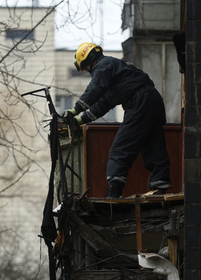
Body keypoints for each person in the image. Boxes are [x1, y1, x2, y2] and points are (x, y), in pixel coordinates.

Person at [64, 42, 171, 198]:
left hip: (139, 102)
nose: (89, 72)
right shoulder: (116, 71)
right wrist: (80, 121)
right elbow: (104, 104)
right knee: (153, 145)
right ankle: (160, 188)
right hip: (153, 101)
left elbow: (95, 88)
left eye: (86, 68)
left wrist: (74, 110)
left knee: (120, 148)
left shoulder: (104, 65)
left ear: (90, 61)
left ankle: (114, 193)